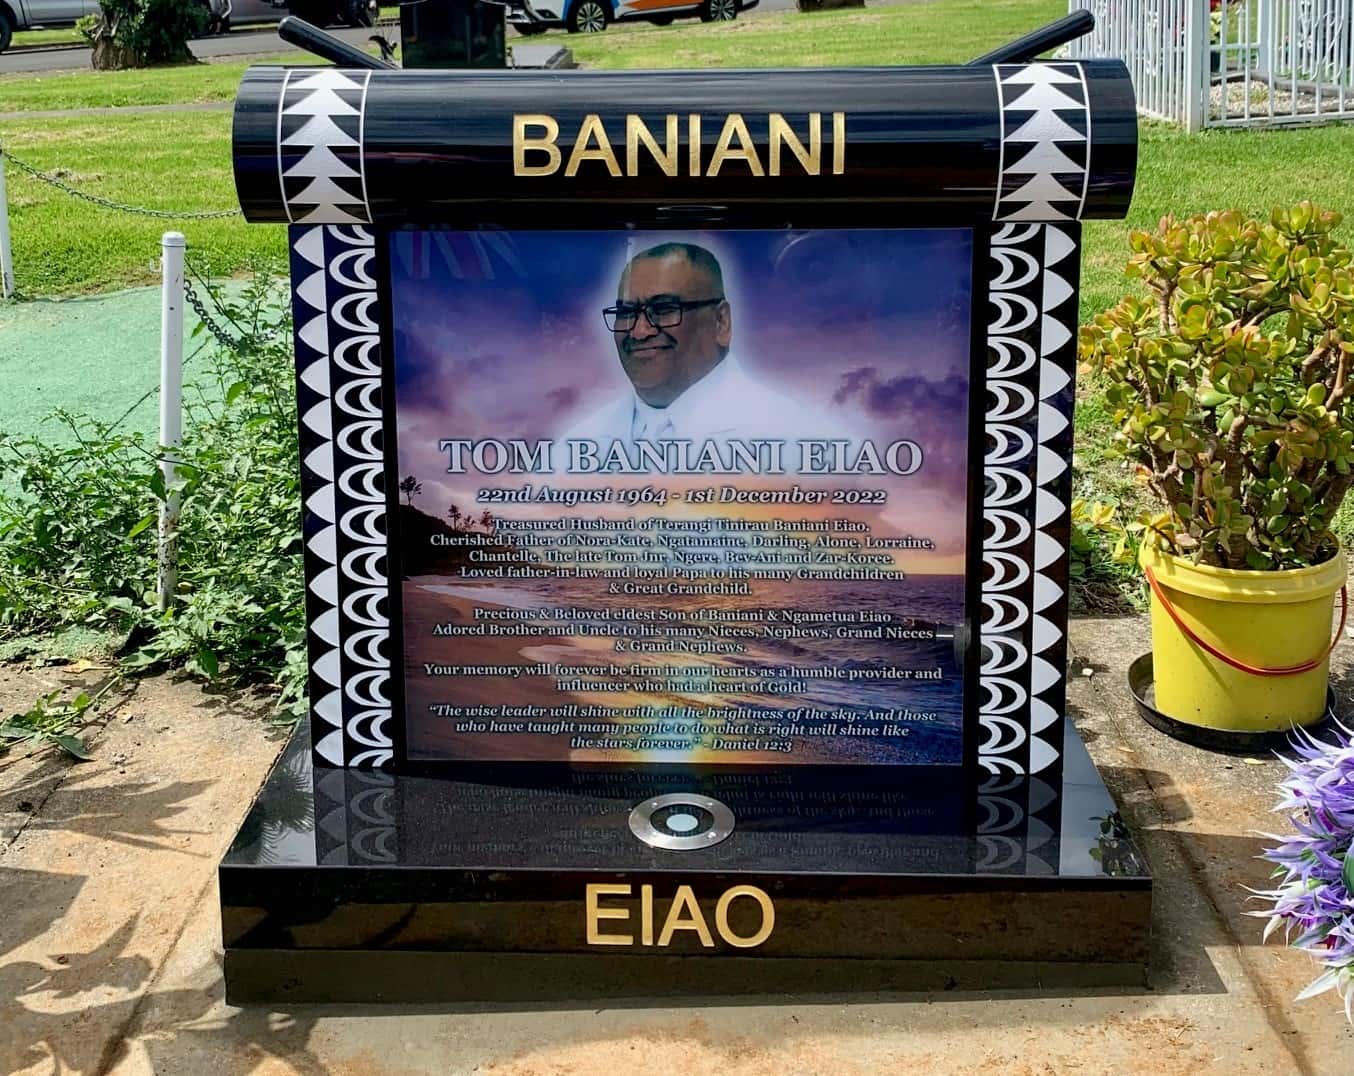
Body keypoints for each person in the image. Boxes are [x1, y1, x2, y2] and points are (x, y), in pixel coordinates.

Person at [563, 242, 841, 446]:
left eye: (664, 309)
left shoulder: (801, 439)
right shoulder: (573, 447)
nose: (639, 331)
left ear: (721, 322)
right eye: (626, 313)